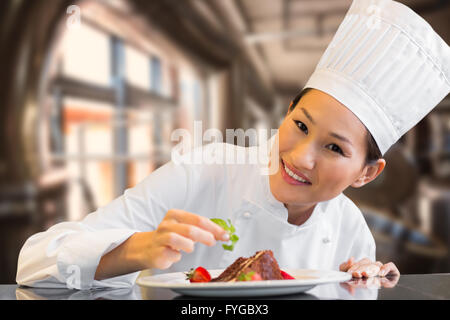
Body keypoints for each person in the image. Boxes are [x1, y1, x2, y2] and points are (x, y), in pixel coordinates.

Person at [17, 0, 449, 290]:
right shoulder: (204, 169)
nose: (300, 157)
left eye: (335, 148)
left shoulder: (352, 231)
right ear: (286, 112)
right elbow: (34, 264)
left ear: (367, 172)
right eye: (300, 125)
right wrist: (136, 249)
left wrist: (353, 287)